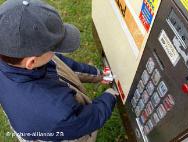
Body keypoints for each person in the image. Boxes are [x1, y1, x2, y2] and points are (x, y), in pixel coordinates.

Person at [0, 0, 119, 141]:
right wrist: (111, 95)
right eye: (54, 48)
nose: (56, 52)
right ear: (32, 62)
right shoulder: (58, 112)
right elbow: (90, 119)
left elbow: (64, 65)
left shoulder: (15, 55)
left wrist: (99, 75)